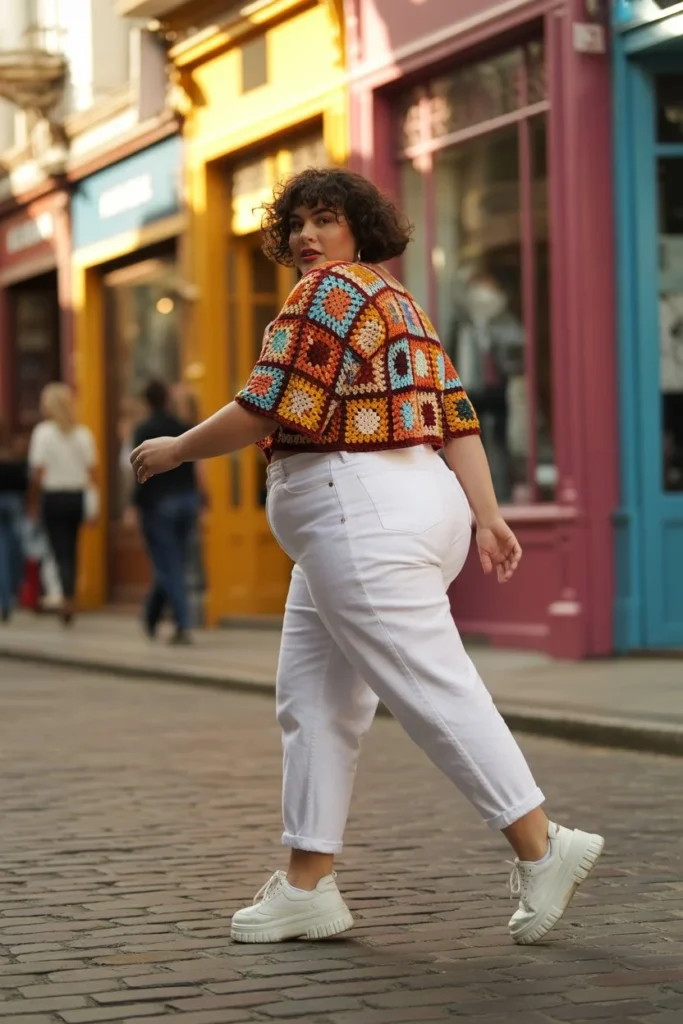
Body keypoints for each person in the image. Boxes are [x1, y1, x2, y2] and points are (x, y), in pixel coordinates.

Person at [131, 167, 604, 946]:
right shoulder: (400, 302)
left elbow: (270, 403)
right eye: (297, 226)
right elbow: (456, 416)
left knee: (428, 683)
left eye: (325, 220)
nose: (307, 238)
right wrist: (485, 515)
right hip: (391, 509)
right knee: (315, 699)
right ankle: (306, 885)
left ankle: (542, 845)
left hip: (359, 513)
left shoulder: (329, 293)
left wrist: (178, 447)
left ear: (358, 229)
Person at [127, 380, 201, 644]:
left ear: (146, 402)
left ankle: (183, 624)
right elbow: (192, 465)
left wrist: (133, 506)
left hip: (159, 504)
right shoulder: (182, 428)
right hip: (187, 500)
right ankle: (151, 614)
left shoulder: (144, 430)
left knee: (169, 565)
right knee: (173, 563)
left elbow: (140, 472)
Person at [28, 384, 98, 626]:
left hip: (54, 496)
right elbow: (92, 472)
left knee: (59, 549)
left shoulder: (43, 433)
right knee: (72, 547)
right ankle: (70, 595)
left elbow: (37, 472)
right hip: (76, 497)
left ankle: (65, 596)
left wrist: (33, 502)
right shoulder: (83, 434)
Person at [0, 420, 29, 622]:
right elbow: (25, 483)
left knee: (2, 552)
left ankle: (5, 601)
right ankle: (12, 593)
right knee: (15, 550)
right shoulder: (15, 455)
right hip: (15, 504)